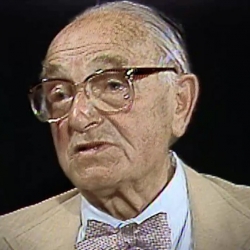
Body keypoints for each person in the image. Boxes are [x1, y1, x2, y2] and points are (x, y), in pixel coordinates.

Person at [1, 1, 250, 250]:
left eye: (113, 85)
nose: (78, 118)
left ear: (180, 102)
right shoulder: (9, 238)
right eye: (60, 94)